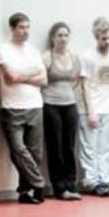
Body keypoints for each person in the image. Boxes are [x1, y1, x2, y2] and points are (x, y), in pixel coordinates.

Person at [0, 12, 48, 204]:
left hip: (35, 105)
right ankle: (39, 183)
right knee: (18, 149)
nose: (25, 31)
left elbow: (44, 80)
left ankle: (25, 191)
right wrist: (31, 75)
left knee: (35, 154)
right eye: (21, 27)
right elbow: (10, 77)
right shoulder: (3, 50)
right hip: (12, 107)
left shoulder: (33, 51)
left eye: (27, 27)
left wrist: (22, 77)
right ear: (12, 29)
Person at [79, 17, 109, 197]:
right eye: (103, 39)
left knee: (105, 146)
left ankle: (105, 180)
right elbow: (85, 85)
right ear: (96, 37)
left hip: (107, 107)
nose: (107, 42)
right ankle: (92, 181)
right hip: (90, 107)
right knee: (89, 146)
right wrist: (91, 111)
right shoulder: (87, 57)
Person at [42, 22, 81, 201]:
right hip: (51, 105)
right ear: (53, 38)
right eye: (59, 35)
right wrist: (54, 92)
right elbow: (41, 80)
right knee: (55, 147)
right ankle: (59, 187)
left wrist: (67, 92)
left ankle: (71, 184)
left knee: (69, 146)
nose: (63, 39)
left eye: (65, 35)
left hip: (70, 104)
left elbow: (76, 80)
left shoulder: (74, 57)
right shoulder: (47, 57)